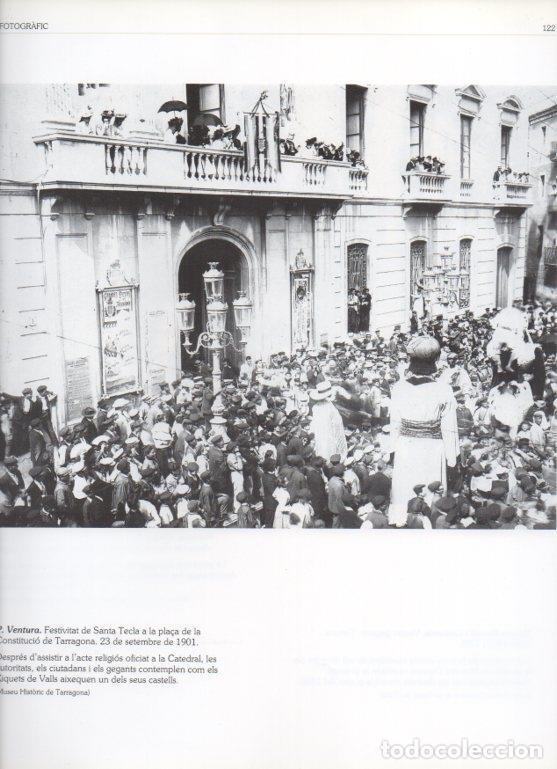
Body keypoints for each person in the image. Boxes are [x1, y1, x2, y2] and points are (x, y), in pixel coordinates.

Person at [389, 336, 459, 526]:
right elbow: (450, 428)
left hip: (405, 446)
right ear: (435, 361)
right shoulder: (444, 390)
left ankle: (401, 520)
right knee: (431, 487)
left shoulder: (399, 388)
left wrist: (391, 451)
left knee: (404, 488)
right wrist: (452, 458)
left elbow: (394, 423)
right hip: (432, 448)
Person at [309, 381, 347, 462]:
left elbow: (314, 423)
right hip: (329, 435)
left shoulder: (315, 407)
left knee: (321, 450)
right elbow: (337, 424)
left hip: (319, 434)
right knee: (330, 451)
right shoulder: (330, 407)